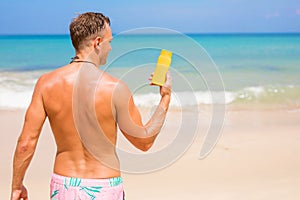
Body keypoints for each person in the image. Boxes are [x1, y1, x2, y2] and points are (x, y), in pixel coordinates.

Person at [11, 12, 171, 200]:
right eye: (109, 42)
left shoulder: (46, 84)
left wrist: (17, 185)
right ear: (97, 43)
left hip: (64, 185)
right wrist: (165, 97)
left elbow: (25, 144)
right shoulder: (115, 88)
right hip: (105, 188)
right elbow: (144, 142)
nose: (110, 48)